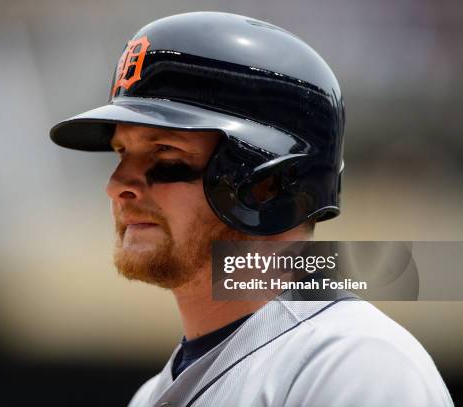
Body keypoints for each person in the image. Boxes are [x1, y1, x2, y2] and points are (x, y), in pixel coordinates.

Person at [49, 11, 454, 407]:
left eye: (165, 152)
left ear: (266, 181)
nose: (117, 185)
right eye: (121, 152)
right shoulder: (149, 395)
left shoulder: (355, 367)